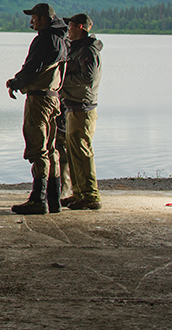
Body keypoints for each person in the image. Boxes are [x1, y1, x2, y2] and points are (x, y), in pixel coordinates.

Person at [6, 3, 68, 215]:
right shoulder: (61, 39)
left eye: (33, 17)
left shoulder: (44, 39)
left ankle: (38, 200)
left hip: (40, 99)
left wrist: (15, 82)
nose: (31, 21)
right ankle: (54, 200)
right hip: (54, 98)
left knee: (38, 148)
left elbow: (33, 67)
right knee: (51, 149)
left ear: (43, 18)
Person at [60, 13, 103, 210]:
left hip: (83, 108)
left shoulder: (89, 50)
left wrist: (61, 80)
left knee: (83, 152)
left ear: (80, 27)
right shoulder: (76, 49)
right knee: (73, 152)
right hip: (72, 107)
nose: (68, 28)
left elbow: (88, 78)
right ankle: (78, 193)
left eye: (70, 25)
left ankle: (91, 196)